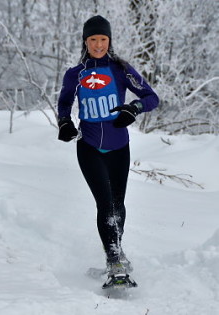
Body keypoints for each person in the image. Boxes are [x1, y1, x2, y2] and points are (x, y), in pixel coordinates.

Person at [57, 15, 159, 281]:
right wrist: (65, 123)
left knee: (118, 204)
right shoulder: (75, 74)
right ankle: (114, 258)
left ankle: (116, 253)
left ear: (109, 40)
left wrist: (132, 109)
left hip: (119, 147)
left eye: (103, 39)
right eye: (93, 39)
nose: (98, 44)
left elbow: (150, 97)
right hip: (89, 146)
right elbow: (65, 103)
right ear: (85, 41)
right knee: (105, 204)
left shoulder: (121, 69)